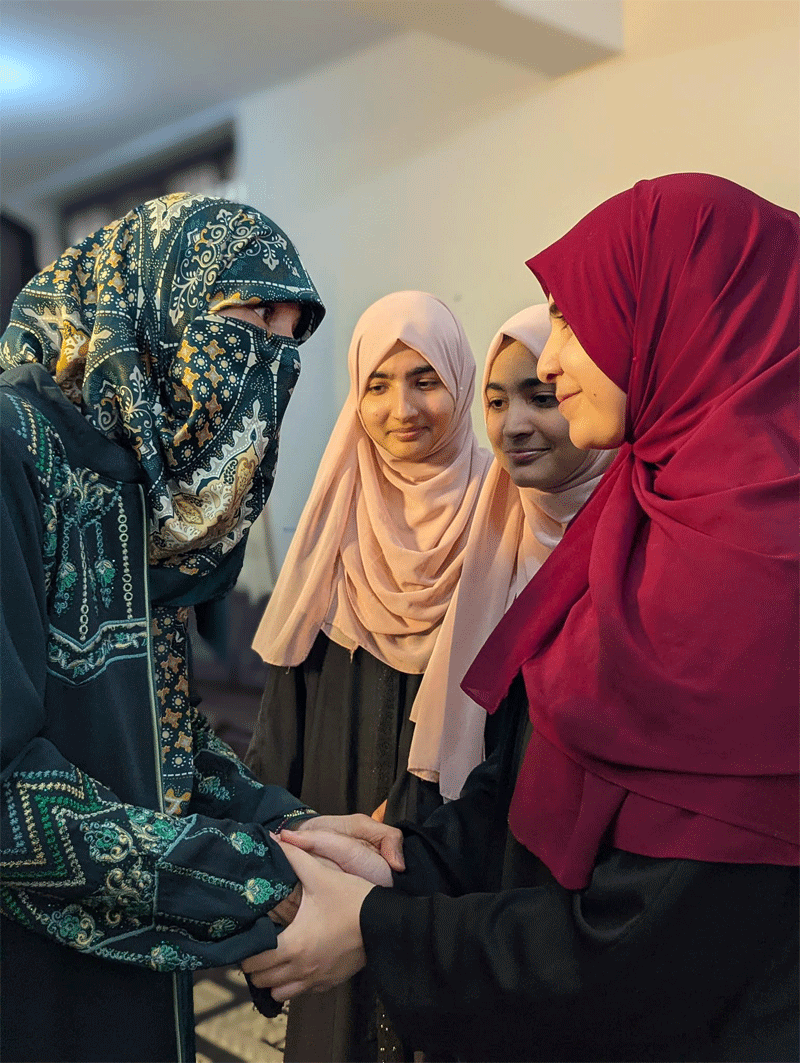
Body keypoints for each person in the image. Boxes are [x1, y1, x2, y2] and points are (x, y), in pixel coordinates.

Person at [243, 174, 799, 1063]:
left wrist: (388, 928)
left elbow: (652, 938)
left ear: (678, 315)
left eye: (577, 319)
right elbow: (541, 760)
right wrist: (406, 858)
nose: (551, 362)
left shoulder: (759, 574)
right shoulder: (642, 516)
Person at [0, 193, 403, 1063]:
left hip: (141, 968)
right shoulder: (12, 450)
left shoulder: (134, 483)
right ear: (155, 299)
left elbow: (161, 738)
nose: (270, 358)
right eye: (252, 314)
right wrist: (270, 882)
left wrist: (297, 826)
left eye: (292, 334)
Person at [245, 289, 491, 1061]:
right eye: (377, 384)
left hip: (458, 820)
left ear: (460, 380)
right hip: (333, 787)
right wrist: (264, 855)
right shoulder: (335, 515)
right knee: (336, 1020)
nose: (402, 407)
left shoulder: (505, 510)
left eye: (425, 379)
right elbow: (288, 698)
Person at [399, 303, 615, 810]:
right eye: (496, 404)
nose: (512, 426)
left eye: (543, 399)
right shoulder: (502, 538)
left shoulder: (635, 546)